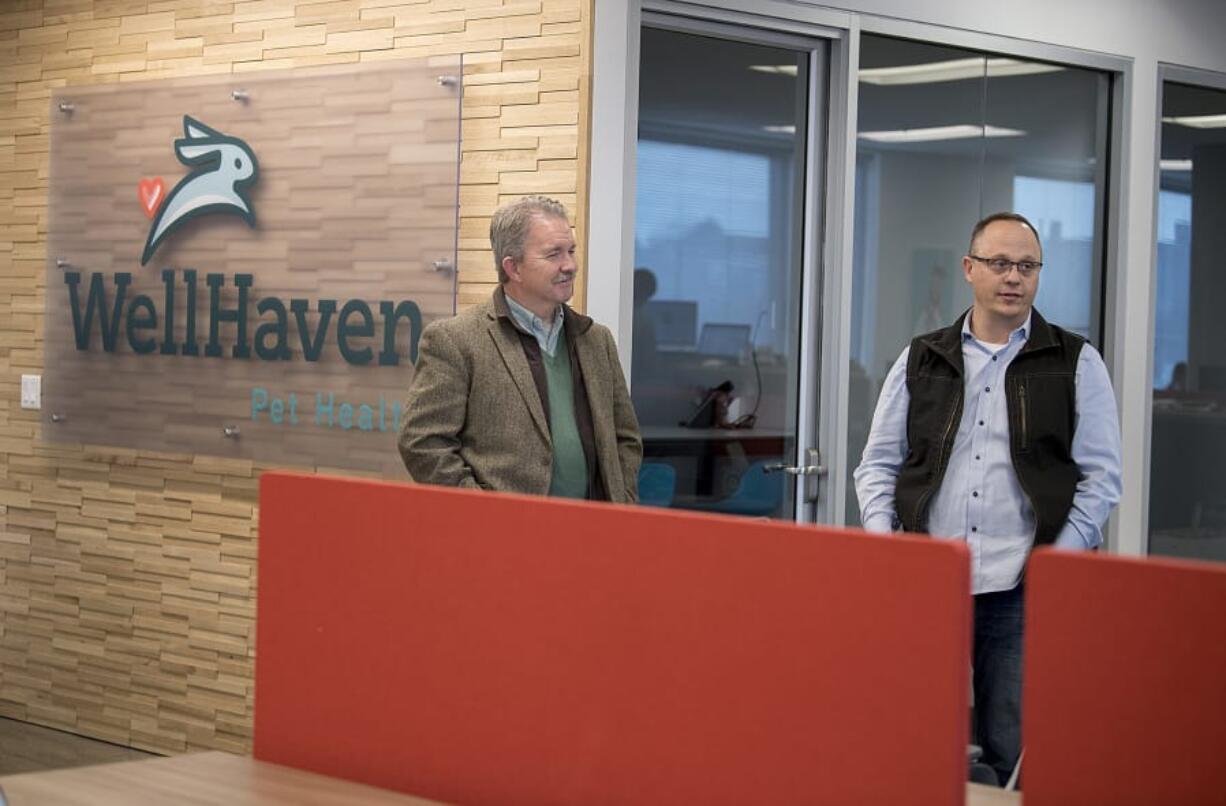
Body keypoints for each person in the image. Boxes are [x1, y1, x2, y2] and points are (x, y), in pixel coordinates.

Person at [853, 212, 1122, 786]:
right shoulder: (921, 358)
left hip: (1022, 583)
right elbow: (878, 464)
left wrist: (1056, 564)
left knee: (1012, 743)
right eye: (1000, 263)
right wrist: (888, 549)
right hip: (930, 578)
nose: (1013, 278)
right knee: (915, 736)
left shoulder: (1076, 362)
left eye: (1027, 266)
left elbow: (1101, 480)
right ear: (969, 269)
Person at [399, 195, 642, 502]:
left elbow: (626, 438)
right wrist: (483, 511)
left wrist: (623, 497)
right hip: (503, 538)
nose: (570, 265)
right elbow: (422, 442)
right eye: (554, 254)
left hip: (593, 533)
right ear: (513, 268)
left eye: (571, 251)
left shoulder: (596, 340)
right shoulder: (456, 340)